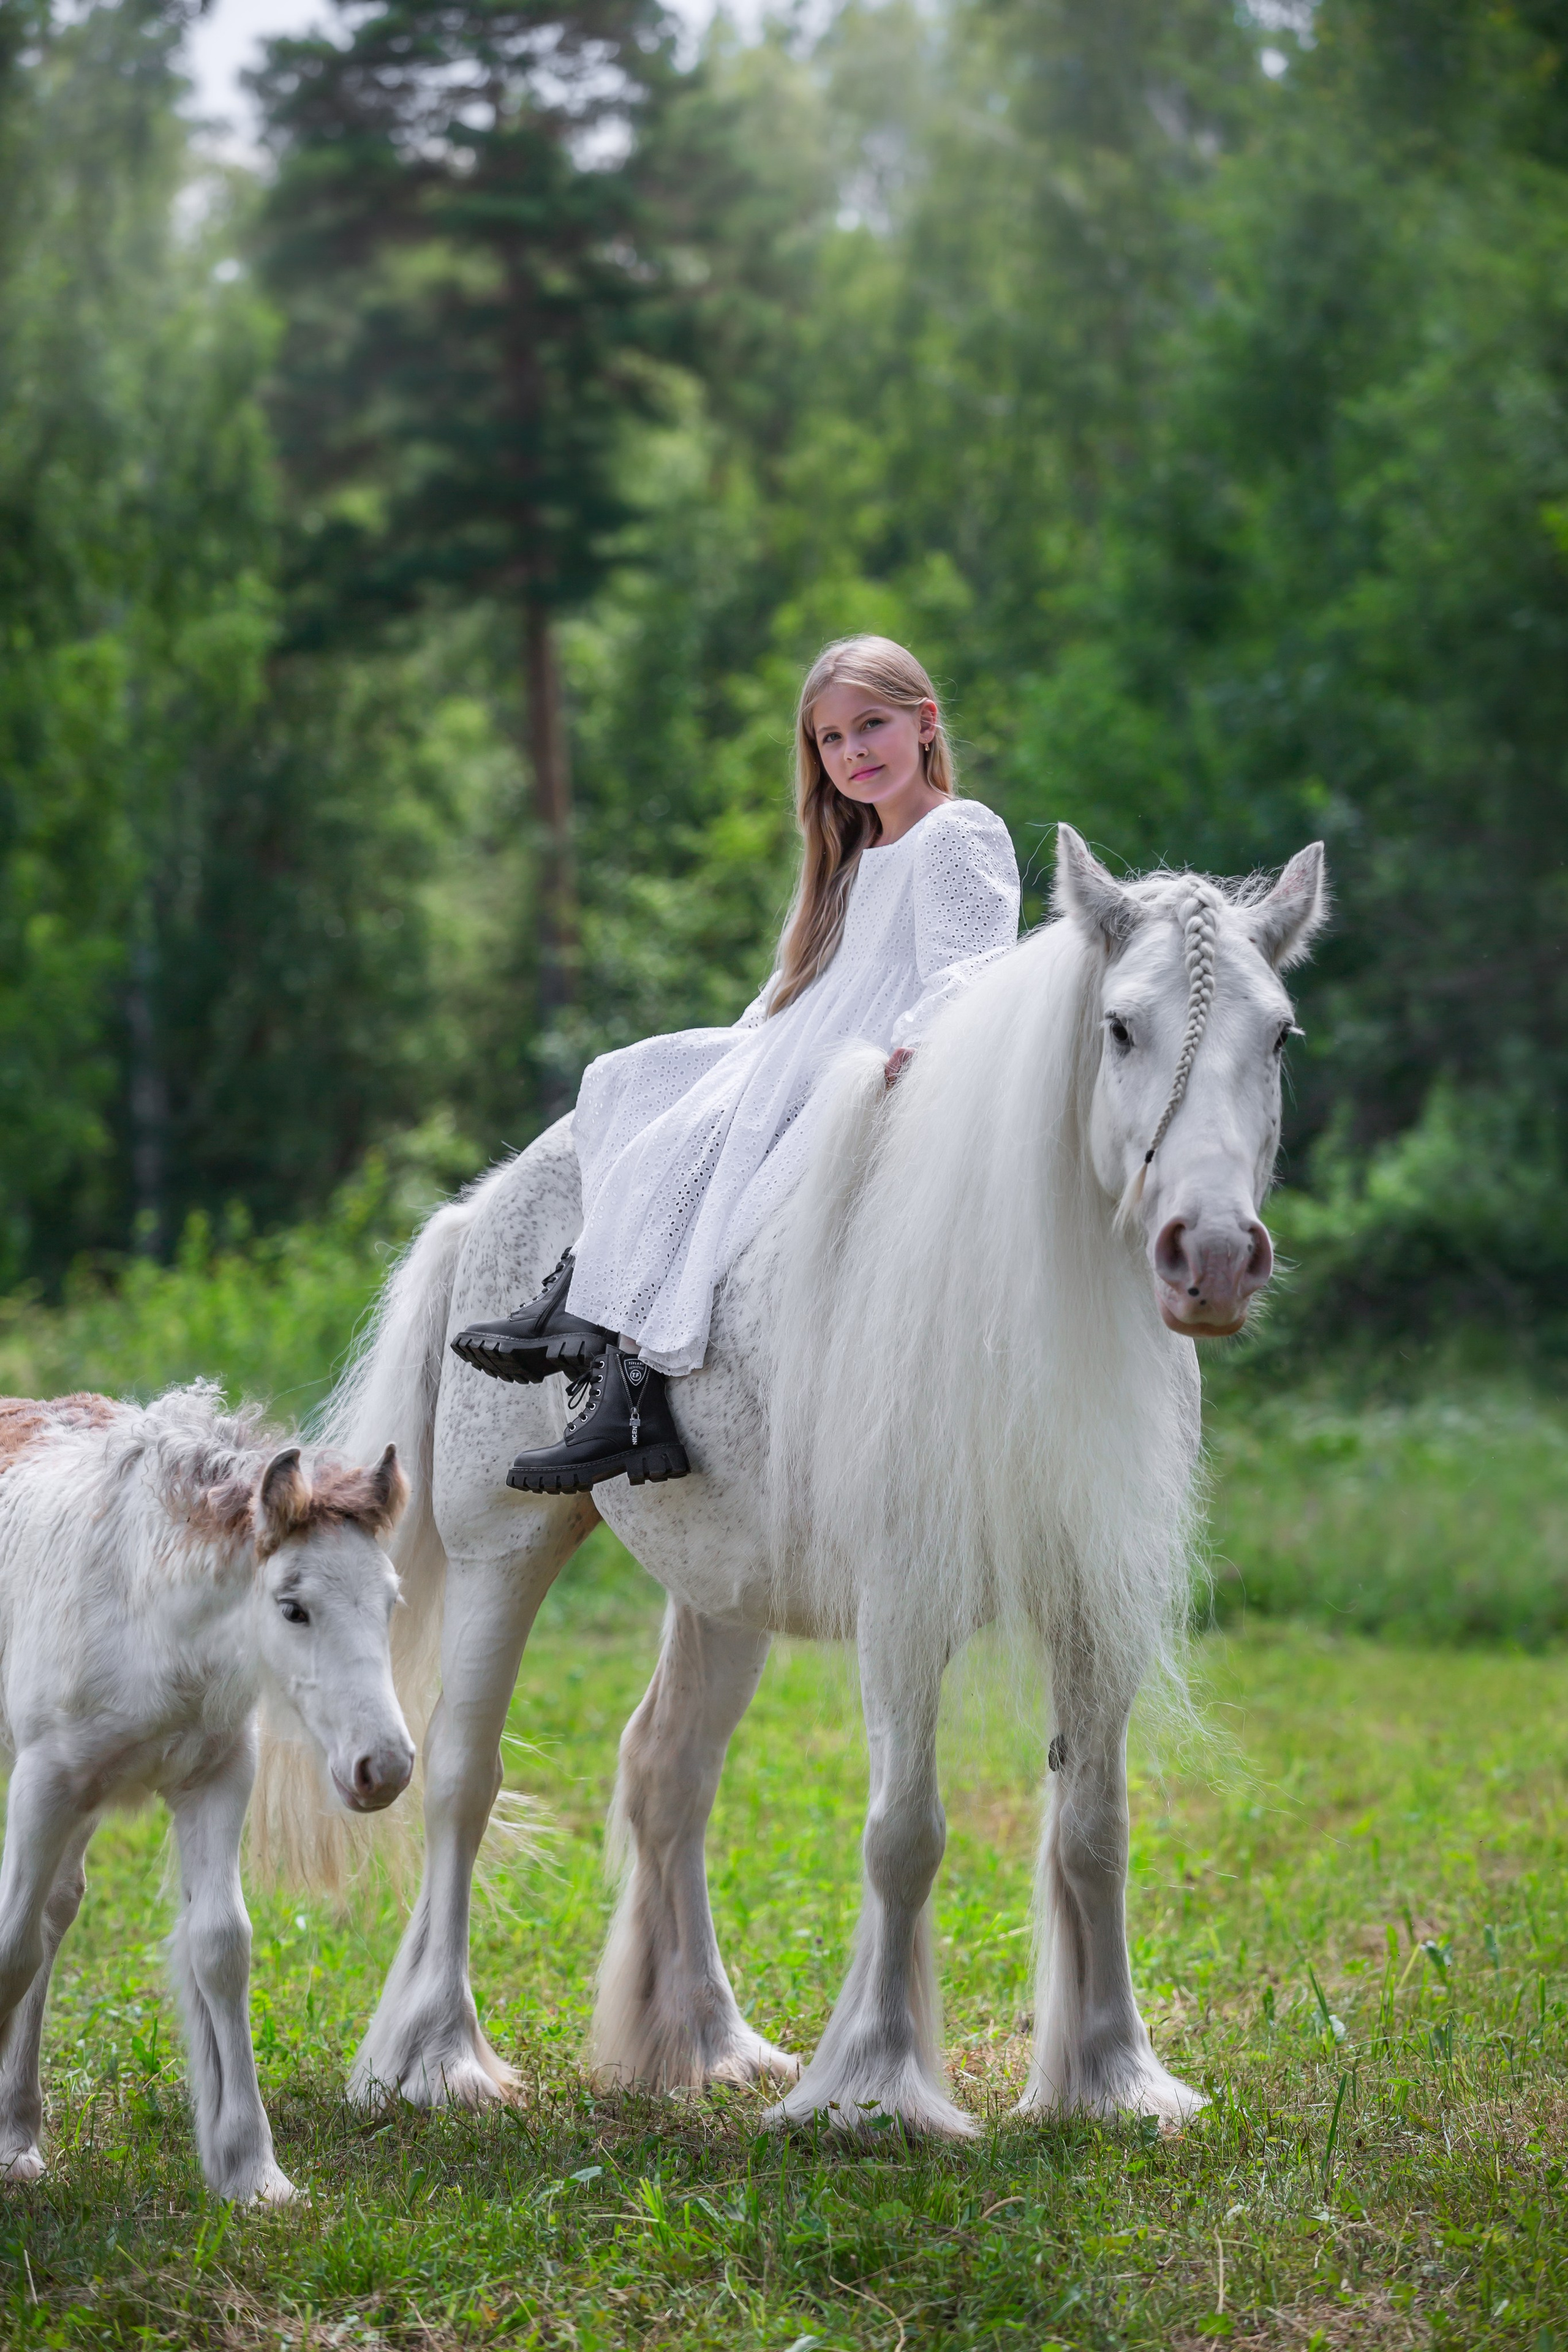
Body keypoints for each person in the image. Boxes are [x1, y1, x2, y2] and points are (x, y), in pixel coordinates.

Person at [452, 634, 1022, 1493]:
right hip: (801, 1039)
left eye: (871, 726)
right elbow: (800, 982)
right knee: (628, 1079)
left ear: (926, 724)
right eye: (830, 740)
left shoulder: (958, 833)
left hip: (866, 1063)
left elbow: (973, 965)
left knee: (707, 1142)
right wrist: (740, 1046)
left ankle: (608, 1347)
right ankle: (600, 1336)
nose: (853, 753)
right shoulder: (851, 855)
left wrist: (919, 1041)